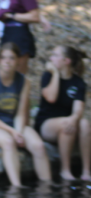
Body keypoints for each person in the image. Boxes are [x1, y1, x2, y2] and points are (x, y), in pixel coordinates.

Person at [0, 43, 51, 186]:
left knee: (38, 145)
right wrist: (13, 133)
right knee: (8, 142)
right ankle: (16, 188)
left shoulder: (24, 82)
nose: (7, 61)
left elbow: (20, 113)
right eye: (4, 58)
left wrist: (18, 132)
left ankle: (47, 188)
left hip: (14, 122)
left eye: (11, 58)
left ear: (18, 60)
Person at [35, 46, 91, 181]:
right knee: (66, 124)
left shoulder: (78, 83)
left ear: (66, 61)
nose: (51, 58)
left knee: (84, 124)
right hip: (47, 124)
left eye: (55, 55)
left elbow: (79, 108)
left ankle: (86, 172)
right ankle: (65, 171)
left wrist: (74, 118)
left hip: (67, 121)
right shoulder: (48, 76)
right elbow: (51, 97)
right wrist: (55, 73)